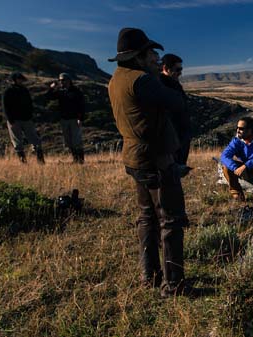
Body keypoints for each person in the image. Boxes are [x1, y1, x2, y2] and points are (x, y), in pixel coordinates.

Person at [108, 27, 188, 297]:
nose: (156, 57)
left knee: (147, 217)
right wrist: (161, 78)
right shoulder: (143, 80)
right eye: (151, 53)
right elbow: (176, 103)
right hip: (156, 158)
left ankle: (149, 275)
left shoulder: (116, 79)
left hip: (135, 156)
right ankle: (173, 284)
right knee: (171, 220)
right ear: (138, 57)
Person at [220, 117, 253, 209]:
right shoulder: (237, 140)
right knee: (226, 167)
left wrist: (246, 166)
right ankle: (238, 196)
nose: (238, 131)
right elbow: (224, 156)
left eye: (241, 129)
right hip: (245, 169)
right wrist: (235, 167)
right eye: (237, 128)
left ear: (251, 130)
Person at [160, 54, 192, 176]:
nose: (180, 73)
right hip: (173, 139)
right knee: (171, 175)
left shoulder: (173, 83)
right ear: (166, 68)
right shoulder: (162, 85)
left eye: (181, 69)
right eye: (177, 69)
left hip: (180, 137)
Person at [2, 72, 45, 164]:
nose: (21, 81)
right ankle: (23, 162)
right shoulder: (8, 91)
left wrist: (30, 115)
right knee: (17, 141)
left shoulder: (25, 90)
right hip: (14, 119)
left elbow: (30, 104)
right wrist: (10, 119)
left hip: (26, 119)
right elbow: (5, 106)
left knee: (35, 139)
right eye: (19, 79)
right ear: (14, 80)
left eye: (21, 79)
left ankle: (40, 161)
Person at [45, 72, 86, 163]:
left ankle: (81, 160)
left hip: (74, 119)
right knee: (68, 141)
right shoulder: (60, 92)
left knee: (76, 140)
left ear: (68, 80)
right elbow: (48, 97)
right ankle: (75, 159)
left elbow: (81, 105)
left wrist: (80, 118)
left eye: (63, 80)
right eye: (60, 80)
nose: (61, 82)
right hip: (64, 119)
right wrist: (51, 88)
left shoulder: (76, 91)